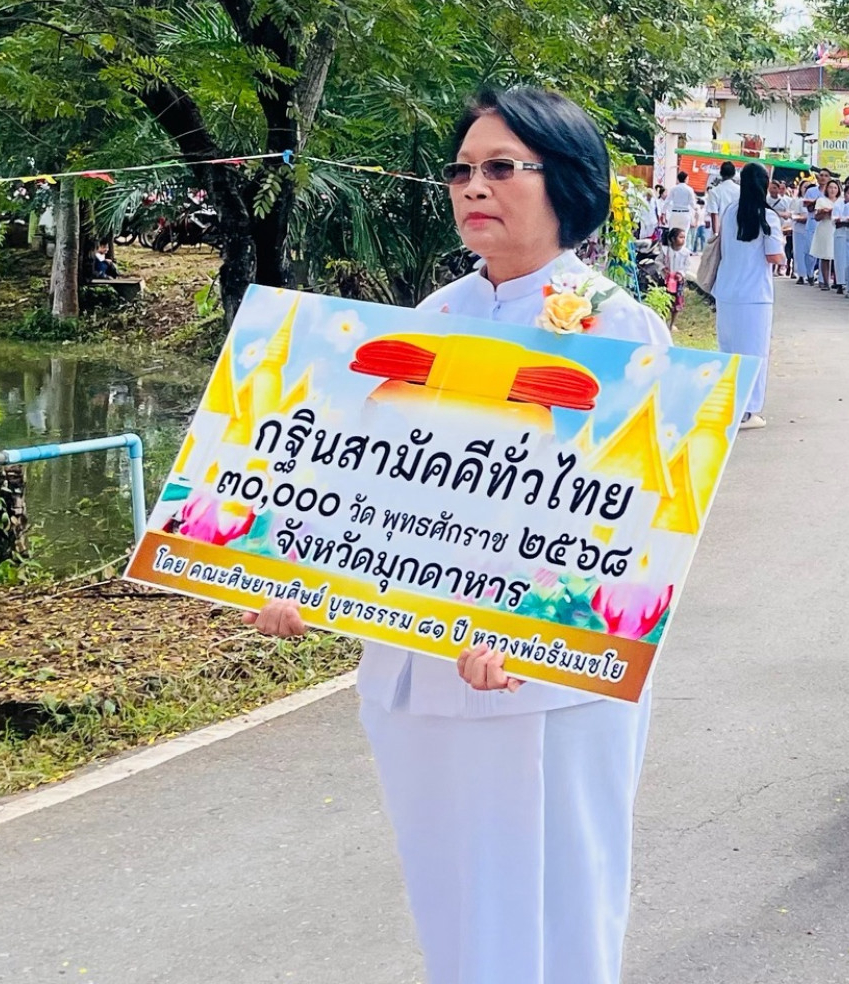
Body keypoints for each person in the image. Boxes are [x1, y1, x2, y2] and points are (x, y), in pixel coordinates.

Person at [251, 86, 673, 984]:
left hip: (544, 687)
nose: (471, 186)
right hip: (414, 668)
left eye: (498, 168)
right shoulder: (430, 316)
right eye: (460, 170)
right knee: (453, 906)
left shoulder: (614, 326)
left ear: (564, 182)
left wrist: (532, 630)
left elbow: (628, 522)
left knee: (560, 905)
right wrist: (294, 570)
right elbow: (369, 481)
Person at [712, 161, 785, 428]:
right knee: (754, 353)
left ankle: (729, 405)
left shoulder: (731, 211)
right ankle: (749, 410)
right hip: (754, 295)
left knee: (729, 351)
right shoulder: (768, 216)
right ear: (765, 186)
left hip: (727, 291)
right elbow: (774, 255)